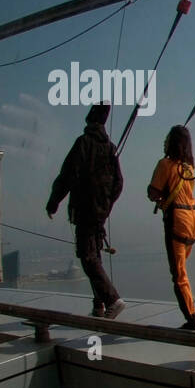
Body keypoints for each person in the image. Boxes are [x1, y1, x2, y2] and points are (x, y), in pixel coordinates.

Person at [46, 101, 125, 319]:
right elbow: (119, 182)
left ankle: (112, 300)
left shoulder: (83, 143)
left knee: (87, 256)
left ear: (89, 121)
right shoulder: (110, 149)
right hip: (101, 211)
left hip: (85, 210)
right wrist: (107, 203)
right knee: (95, 254)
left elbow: (68, 175)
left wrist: (54, 201)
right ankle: (99, 305)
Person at [147, 125, 195, 330]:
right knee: (182, 269)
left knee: (178, 273)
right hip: (193, 220)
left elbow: (153, 191)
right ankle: (190, 304)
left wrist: (157, 198)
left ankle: (191, 316)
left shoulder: (165, 165)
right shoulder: (189, 169)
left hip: (177, 220)